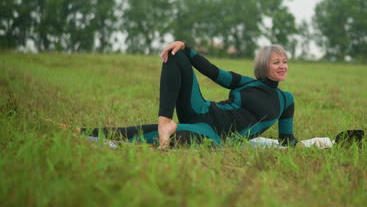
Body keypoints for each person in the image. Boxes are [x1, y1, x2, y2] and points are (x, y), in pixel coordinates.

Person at [82, 41, 297, 149]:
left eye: (284, 61)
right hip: (201, 109)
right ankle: (164, 119)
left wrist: (326, 145)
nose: (282, 66)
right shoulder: (245, 83)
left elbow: (286, 142)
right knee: (176, 54)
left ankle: (90, 133)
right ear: (263, 65)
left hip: (214, 133)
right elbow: (213, 72)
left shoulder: (286, 100)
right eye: (276, 62)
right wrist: (186, 46)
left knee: (180, 137)